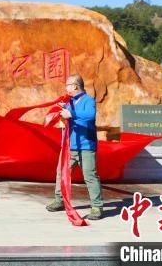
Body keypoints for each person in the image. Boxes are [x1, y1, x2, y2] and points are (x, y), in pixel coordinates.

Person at [45, 74, 104, 220]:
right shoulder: (69, 102)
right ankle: (59, 200)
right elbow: (66, 117)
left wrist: (71, 114)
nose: (66, 88)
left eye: (67, 85)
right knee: (62, 173)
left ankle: (97, 207)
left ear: (75, 86)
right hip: (69, 146)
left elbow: (89, 116)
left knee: (90, 176)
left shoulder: (88, 100)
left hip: (86, 146)